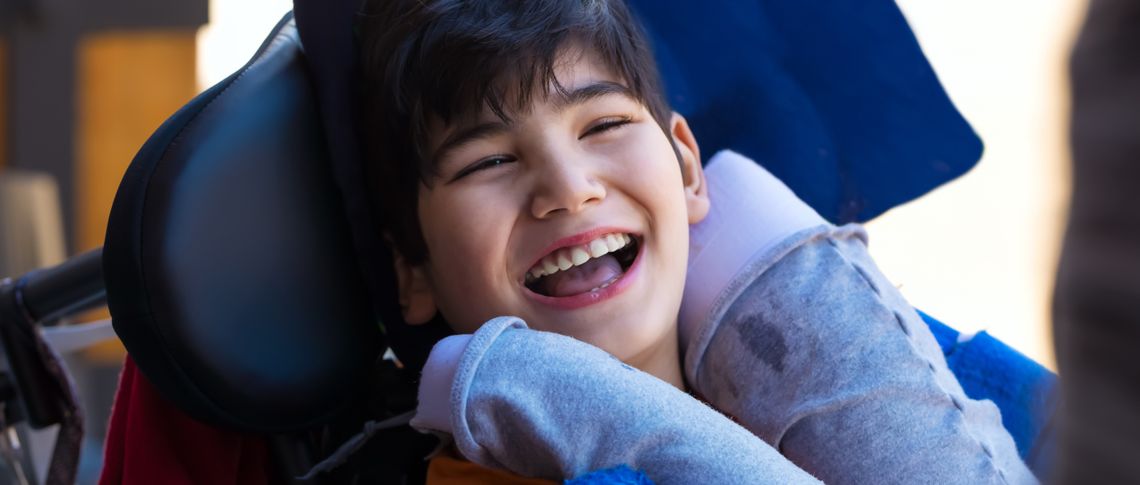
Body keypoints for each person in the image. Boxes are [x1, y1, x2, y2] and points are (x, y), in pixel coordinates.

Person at [355, 0, 1038, 483]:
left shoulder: (864, 349)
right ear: (411, 270)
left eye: (602, 125)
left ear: (686, 167)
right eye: (488, 161)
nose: (568, 188)